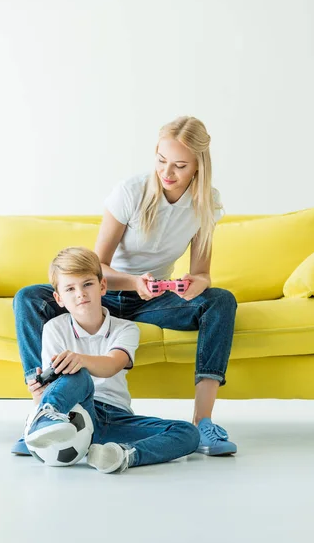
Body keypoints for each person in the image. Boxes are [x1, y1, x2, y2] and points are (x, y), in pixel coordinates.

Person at [13, 115, 237, 457]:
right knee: (29, 297)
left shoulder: (206, 203)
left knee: (220, 301)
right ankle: (43, 414)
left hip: (152, 300)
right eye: (162, 161)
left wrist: (194, 284)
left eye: (179, 165)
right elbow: (96, 266)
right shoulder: (131, 192)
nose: (168, 173)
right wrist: (133, 281)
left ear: (198, 166)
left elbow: (202, 273)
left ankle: (203, 422)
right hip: (106, 289)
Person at [24, 247, 199, 473]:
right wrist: (40, 393)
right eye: (70, 288)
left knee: (188, 433)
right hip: (78, 413)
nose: (80, 293)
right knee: (77, 374)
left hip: (117, 417)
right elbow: (58, 383)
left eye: (87, 284)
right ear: (59, 299)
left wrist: (80, 359)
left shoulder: (125, 328)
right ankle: (44, 417)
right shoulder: (54, 328)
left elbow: (112, 364)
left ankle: (121, 454)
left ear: (102, 286)